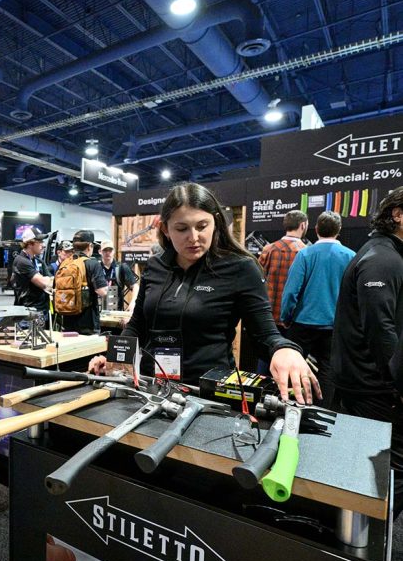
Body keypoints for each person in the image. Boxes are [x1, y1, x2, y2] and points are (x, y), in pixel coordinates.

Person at [89, 183, 319, 404]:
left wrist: (284, 349)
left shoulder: (240, 268)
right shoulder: (155, 267)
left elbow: (264, 335)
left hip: (209, 392)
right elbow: (138, 325)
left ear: (216, 224)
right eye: (182, 229)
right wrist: (114, 358)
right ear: (166, 229)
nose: (194, 237)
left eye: (202, 226)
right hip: (151, 388)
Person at [331, 188, 403, 518]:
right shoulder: (383, 258)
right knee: (385, 477)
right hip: (375, 388)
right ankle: (366, 555)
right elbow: (380, 329)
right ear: (398, 214)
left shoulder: (387, 254)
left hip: (373, 384)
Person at [280, 211, 355, 408]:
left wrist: (286, 317)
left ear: (316, 229)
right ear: (339, 231)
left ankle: (289, 407)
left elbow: (291, 292)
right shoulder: (351, 256)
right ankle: (322, 411)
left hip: (302, 324)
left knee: (292, 369)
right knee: (328, 372)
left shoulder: (305, 254)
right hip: (333, 326)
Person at [258, 210, 308, 330]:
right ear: (302, 225)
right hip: (295, 317)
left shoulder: (269, 249)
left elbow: (257, 280)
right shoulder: (306, 252)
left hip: (269, 315)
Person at [58, 230, 107, 335]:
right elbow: (102, 292)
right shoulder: (93, 264)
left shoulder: (65, 264)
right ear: (89, 246)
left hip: (67, 321)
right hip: (87, 323)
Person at [11, 228, 53, 312]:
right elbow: (45, 284)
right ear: (30, 244)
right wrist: (47, 280)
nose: (43, 245)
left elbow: (50, 280)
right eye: (40, 242)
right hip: (28, 311)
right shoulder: (21, 261)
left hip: (41, 308)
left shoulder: (38, 260)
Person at [99, 240, 139, 316]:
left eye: (110, 250)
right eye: (105, 250)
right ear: (100, 251)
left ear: (113, 251)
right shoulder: (96, 268)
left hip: (117, 314)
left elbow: (135, 286)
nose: (108, 252)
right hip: (98, 314)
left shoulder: (121, 267)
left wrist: (133, 302)